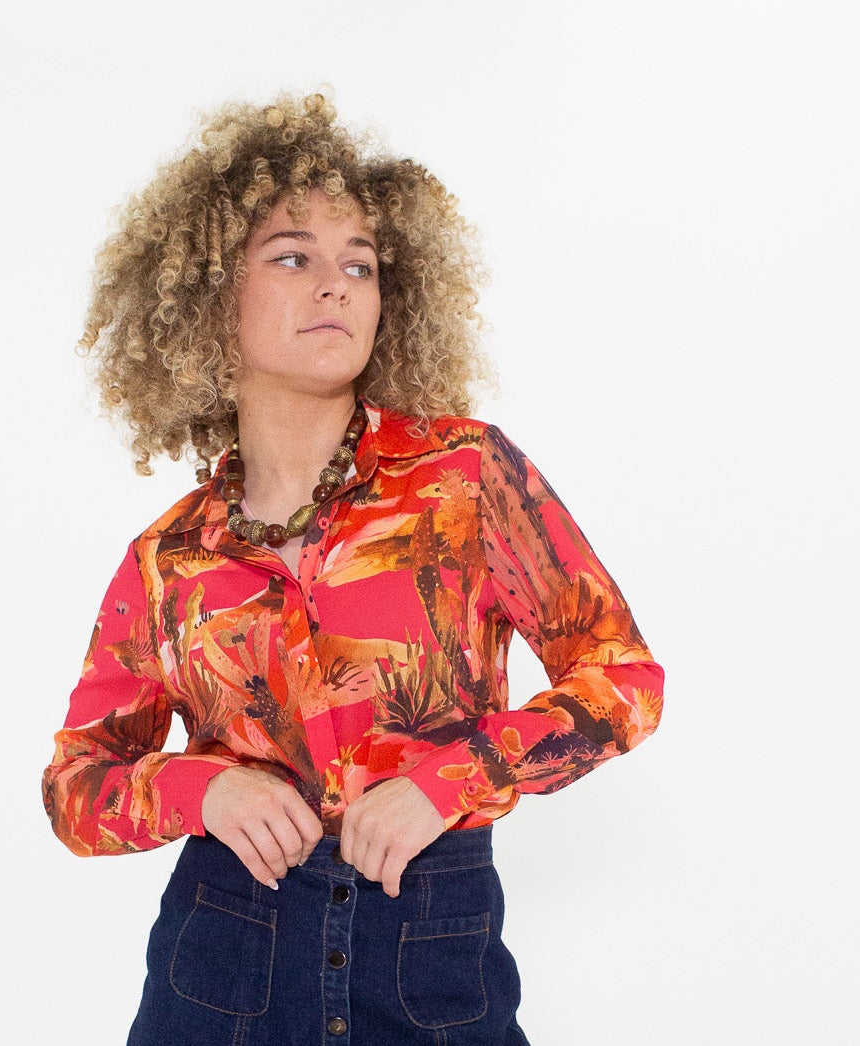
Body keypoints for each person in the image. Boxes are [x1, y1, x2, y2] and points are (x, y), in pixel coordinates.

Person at [41, 89, 664, 1046]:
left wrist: (449, 779)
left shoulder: (464, 479)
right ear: (210, 302)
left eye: (360, 265)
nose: (336, 284)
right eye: (293, 256)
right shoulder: (168, 559)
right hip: (222, 961)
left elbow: (622, 680)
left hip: (431, 947)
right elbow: (77, 785)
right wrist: (203, 787)